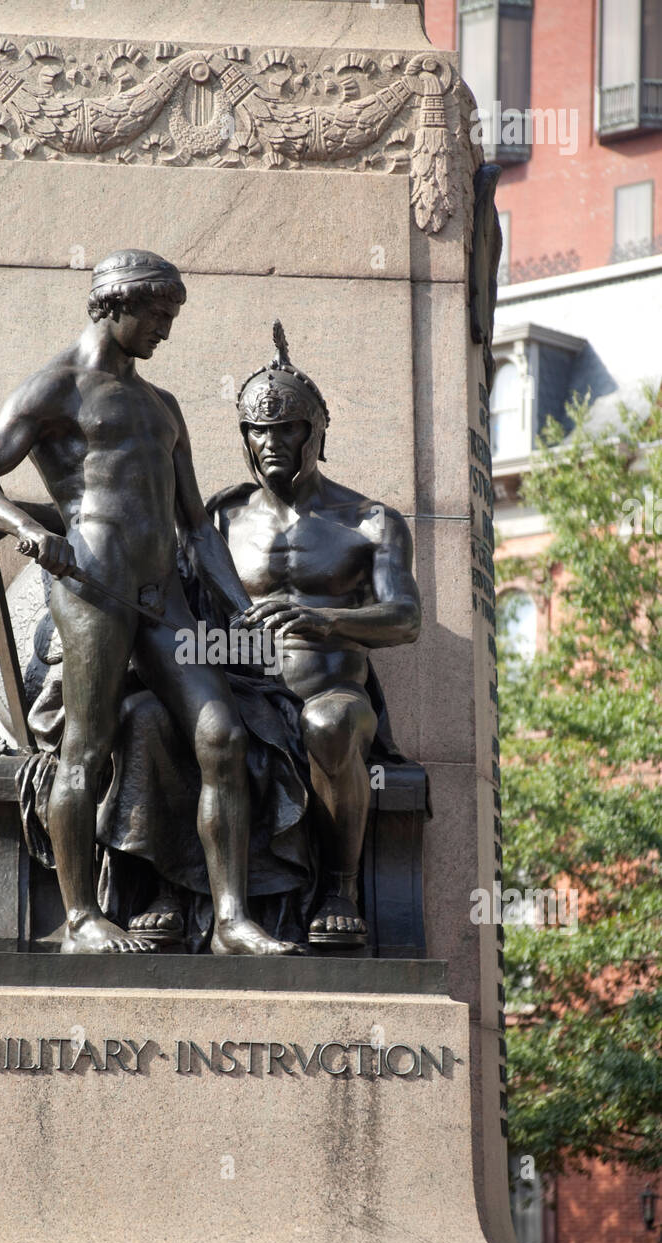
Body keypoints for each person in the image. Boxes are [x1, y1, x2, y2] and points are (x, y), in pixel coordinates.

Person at [0, 250, 300, 957]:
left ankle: (231, 921)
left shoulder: (161, 406)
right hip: (90, 587)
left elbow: (197, 526)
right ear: (116, 306)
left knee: (222, 736)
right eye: (159, 315)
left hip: (162, 595)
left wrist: (238, 607)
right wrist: (25, 528)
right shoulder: (54, 389)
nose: (165, 331)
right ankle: (80, 919)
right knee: (86, 748)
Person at [218, 322, 422, 941]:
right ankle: (182, 893)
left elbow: (407, 618)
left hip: (331, 690)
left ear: (317, 432)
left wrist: (325, 619)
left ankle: (340, 888)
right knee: (173, 720)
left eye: (288, 428)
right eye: (259, 430)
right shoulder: (220, 518)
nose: (273, 442)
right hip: (240, 688)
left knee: (330, 726)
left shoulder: (369, 522)